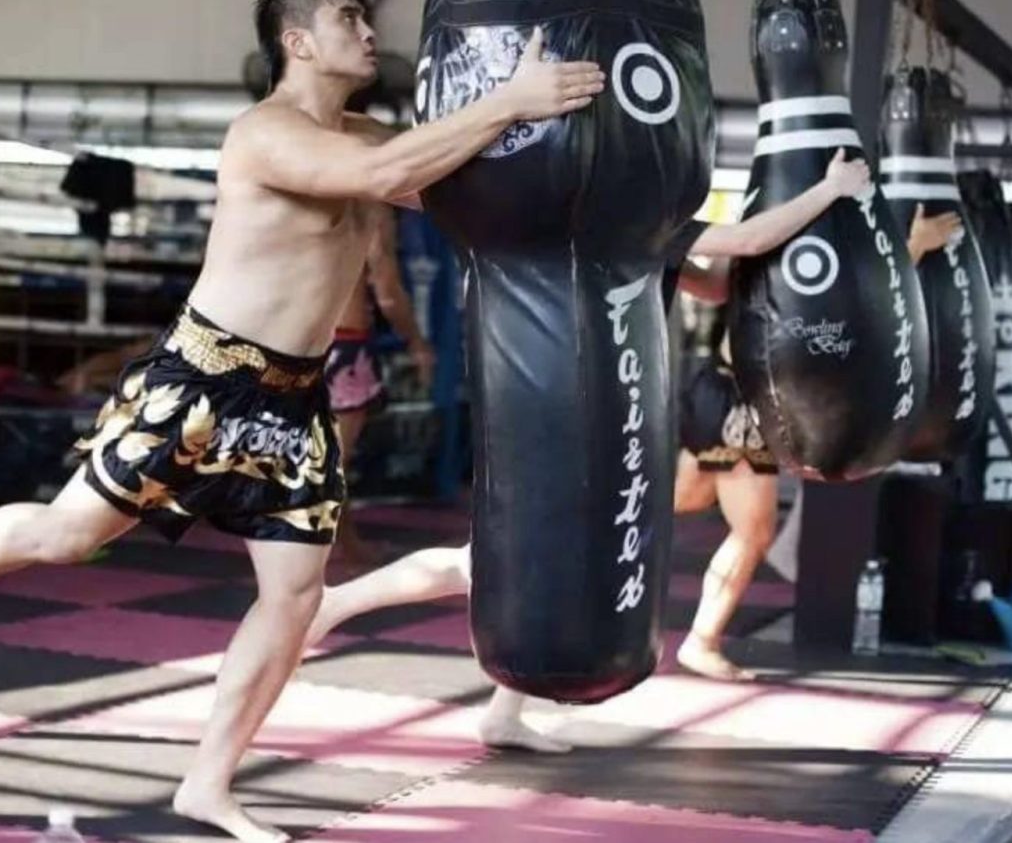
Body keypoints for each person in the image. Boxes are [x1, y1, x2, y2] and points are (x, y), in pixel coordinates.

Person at [0, 0, 604, 843]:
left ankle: (208, 782)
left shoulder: (365, 131)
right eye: (347, 16)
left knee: (293, 598)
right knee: (67, 536)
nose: (365, 29)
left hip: (292, 400)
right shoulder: (265, 132)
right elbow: (388, 169)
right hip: (202, 382)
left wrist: (558, 139)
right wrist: (509, 101)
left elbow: (450, 188)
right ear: (298, 42)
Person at [302, 148, 885, 740]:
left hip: (612, 413)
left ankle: (501, 712)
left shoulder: (648, 229)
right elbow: (751, 236)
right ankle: (335, 605)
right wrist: (830, 191)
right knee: (496, 564)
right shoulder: (595, 214)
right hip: (562, 411)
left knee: (552, 570)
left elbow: (712, 283)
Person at [669, 200, 962, 680]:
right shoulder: (785, 222)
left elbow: (724, 285)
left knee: (679, 500)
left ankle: (592, 531)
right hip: (739, 398)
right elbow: (850, 295)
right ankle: (701, 641)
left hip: (717, 386)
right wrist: (914, 246)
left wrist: (663, 256)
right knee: (754, 530)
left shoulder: (769, 219)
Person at [325, 205, 435, 564]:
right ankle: (347, 548)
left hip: (298, 342)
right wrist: (416, 341)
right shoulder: (371, 205)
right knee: (332, 461)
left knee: (311, 458)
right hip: (345, 342)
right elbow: (386, 288)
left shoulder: (308, 192)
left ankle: (341, 544)